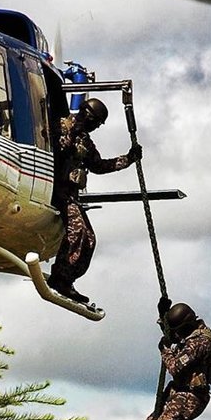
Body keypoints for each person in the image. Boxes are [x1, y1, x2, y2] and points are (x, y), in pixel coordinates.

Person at [48, 97, 141, 303]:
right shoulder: (61, 127)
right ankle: (60, 278)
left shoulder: (85, 140)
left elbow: (98, 165)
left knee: (89, 239)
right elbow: (57, 148)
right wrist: (71, 133)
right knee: (78, 233)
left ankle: (67, 279)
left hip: (70, 194)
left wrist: (128, 159)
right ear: (86, 115)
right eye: (94, 122)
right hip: (55, 190)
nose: (95, 127)